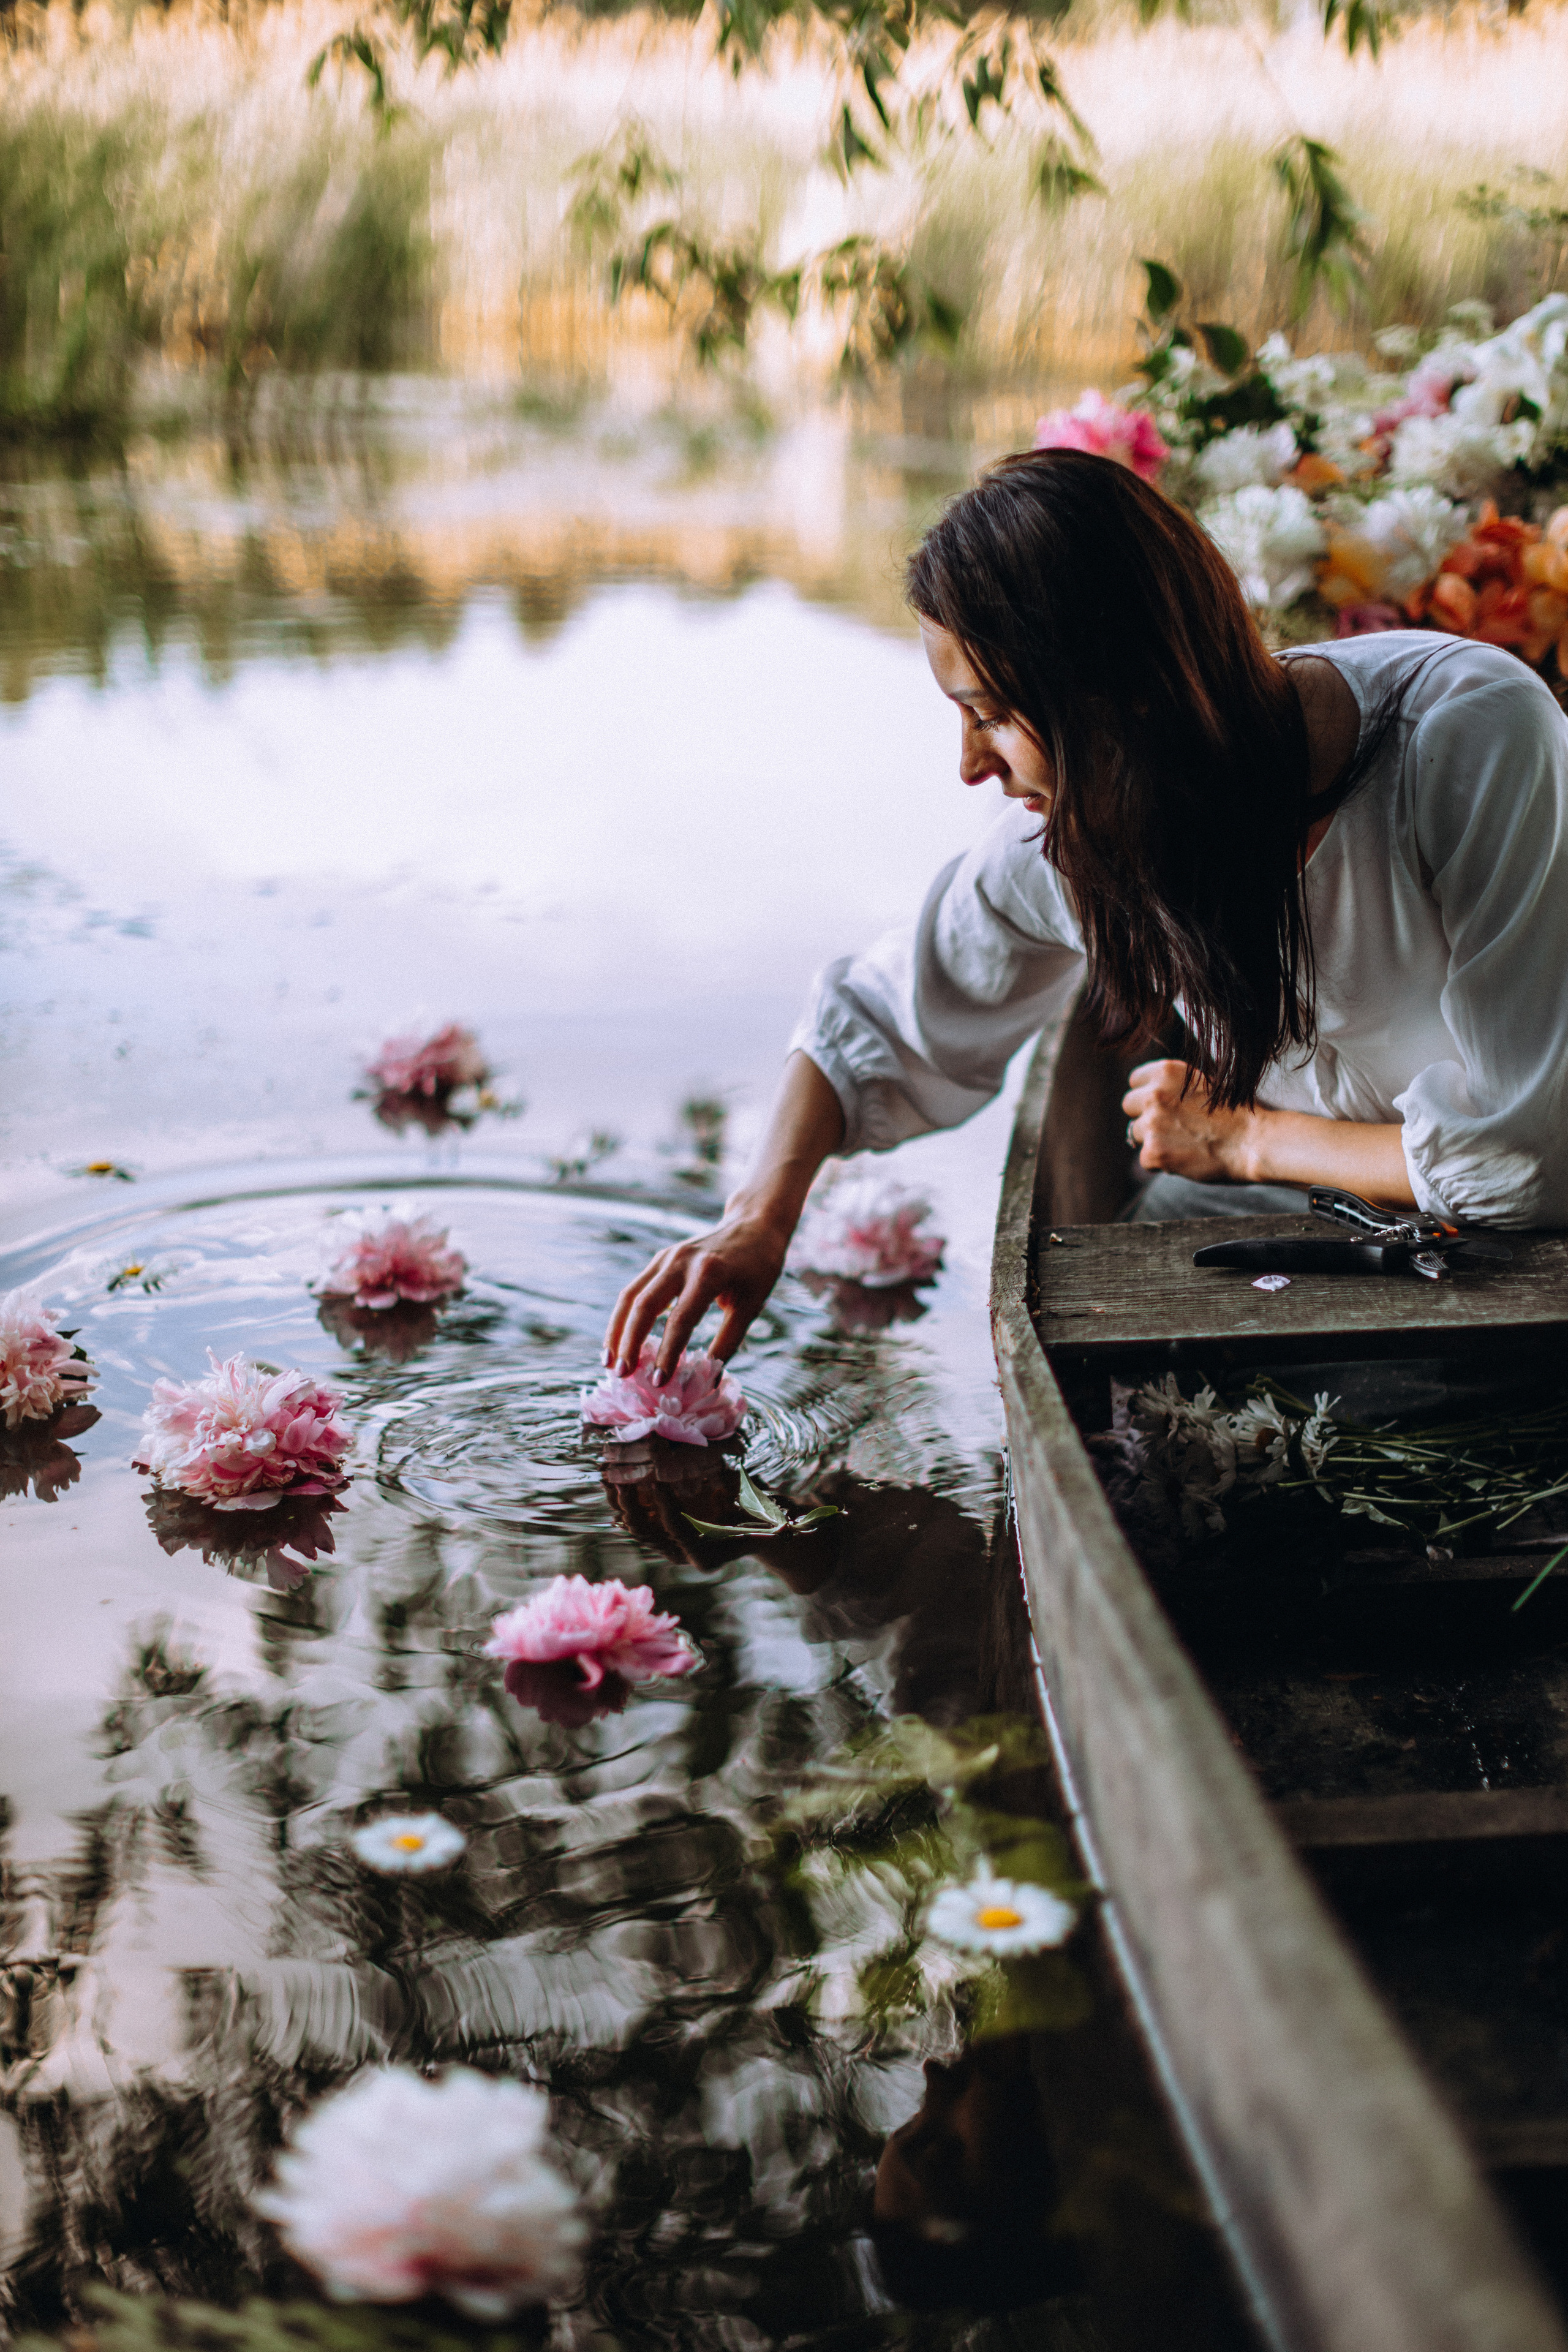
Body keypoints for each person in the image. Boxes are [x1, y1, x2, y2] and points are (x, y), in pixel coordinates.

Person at [606, 447, 1568, 1382]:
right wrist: (759, 1219)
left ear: (1117, 696)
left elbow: (1526, 1167)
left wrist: (1245, 1138)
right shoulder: (1081, 840)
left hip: (1527, 1255)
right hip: (1314, 1211)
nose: (970, 767)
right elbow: (874, 1019)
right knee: (1135, 1390)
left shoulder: (1467, 739)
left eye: (989, 714)